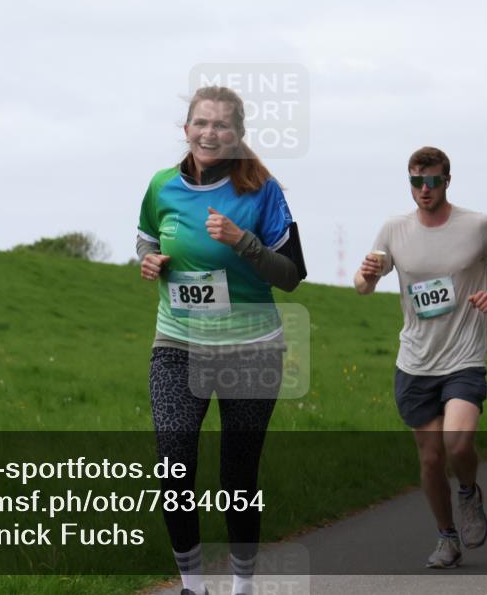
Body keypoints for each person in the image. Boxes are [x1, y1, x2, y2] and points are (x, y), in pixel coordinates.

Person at [137, 86, 307, 595]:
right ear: (186, 129)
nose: (211, 133)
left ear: (238, 135)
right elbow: (147, 234)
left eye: (222, 126)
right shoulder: (161, 186)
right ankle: (192, 585)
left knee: (237, 478)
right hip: (177, 343)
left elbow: (292, 275)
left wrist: (243, 241)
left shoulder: (263, 191)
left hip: (251, 348)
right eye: (202, 123)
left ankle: (243, 585)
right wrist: (147, 260)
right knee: (173, 465)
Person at [354, 146, 487, 569]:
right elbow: (362, 286)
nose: (425, 189)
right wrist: (367, 274)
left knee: (458, 440)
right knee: (431, 459)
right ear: (409, 182)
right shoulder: (394, 230)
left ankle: (468, 491)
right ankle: (446, 537)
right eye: (417, 181)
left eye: (433, 181)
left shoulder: (479, 226)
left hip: (464, 357)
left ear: (447, 181)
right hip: (415, 361)